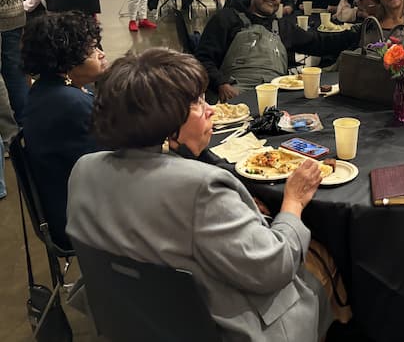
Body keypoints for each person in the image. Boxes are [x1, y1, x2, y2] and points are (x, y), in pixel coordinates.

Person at [66, 48, 334, 342]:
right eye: (196, 102)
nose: (212, 109)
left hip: (133, 322)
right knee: (323, 262)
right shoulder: (202, 187)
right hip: (219, 329)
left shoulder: (83, 169)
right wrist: (293, 202)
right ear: (166, 124)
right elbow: (275, 267)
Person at [196, 0, 357, 101]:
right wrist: (221, 83)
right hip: (235, 94)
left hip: (276, 95)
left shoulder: (282, 27)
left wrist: (355, 33)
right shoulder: (227, 18)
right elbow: (203, 58)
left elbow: (319, 43)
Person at [22, 12, 106, 248]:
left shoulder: (48, 89)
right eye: (92, 50)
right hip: (80, 218)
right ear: (66, 60)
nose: (102, 54)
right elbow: (113, 160)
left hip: (67, 202)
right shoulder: (69, 103)